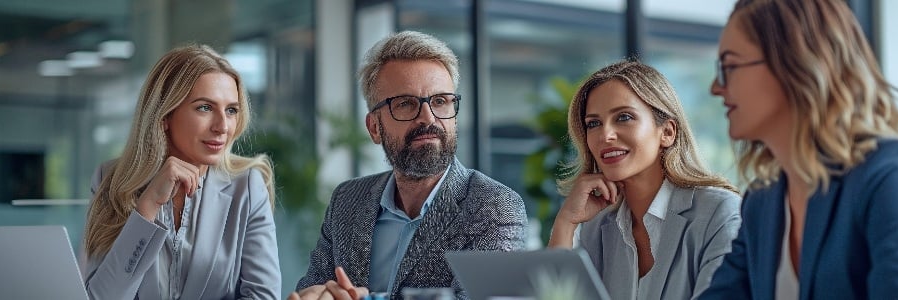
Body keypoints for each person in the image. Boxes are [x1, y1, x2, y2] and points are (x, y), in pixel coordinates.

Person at [700, 0, 898, 299]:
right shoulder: (762, 202)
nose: (716, 87)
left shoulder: (887, 175)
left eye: (730, 66)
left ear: (793, 63)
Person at [289, 31, 528, 300]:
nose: (428, 118)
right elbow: (312, 289)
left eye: (440, 101)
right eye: (405, 104)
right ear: (374, 127)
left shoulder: (494, 206)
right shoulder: (347, 200)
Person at [81, 44, 281, 299]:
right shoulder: (111, 180)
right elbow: (99, 297)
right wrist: (147, 207)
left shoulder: (247, 187)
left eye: (231, 110)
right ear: (165, 114)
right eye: (205, 108)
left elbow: (263, 296)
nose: (222, 126)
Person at [547, 60, 741, 299]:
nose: (605, 135)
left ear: (667, 132)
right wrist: (566, 222)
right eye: (594, 123)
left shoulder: (719, 212)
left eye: (624, 117)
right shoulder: (596, 228)